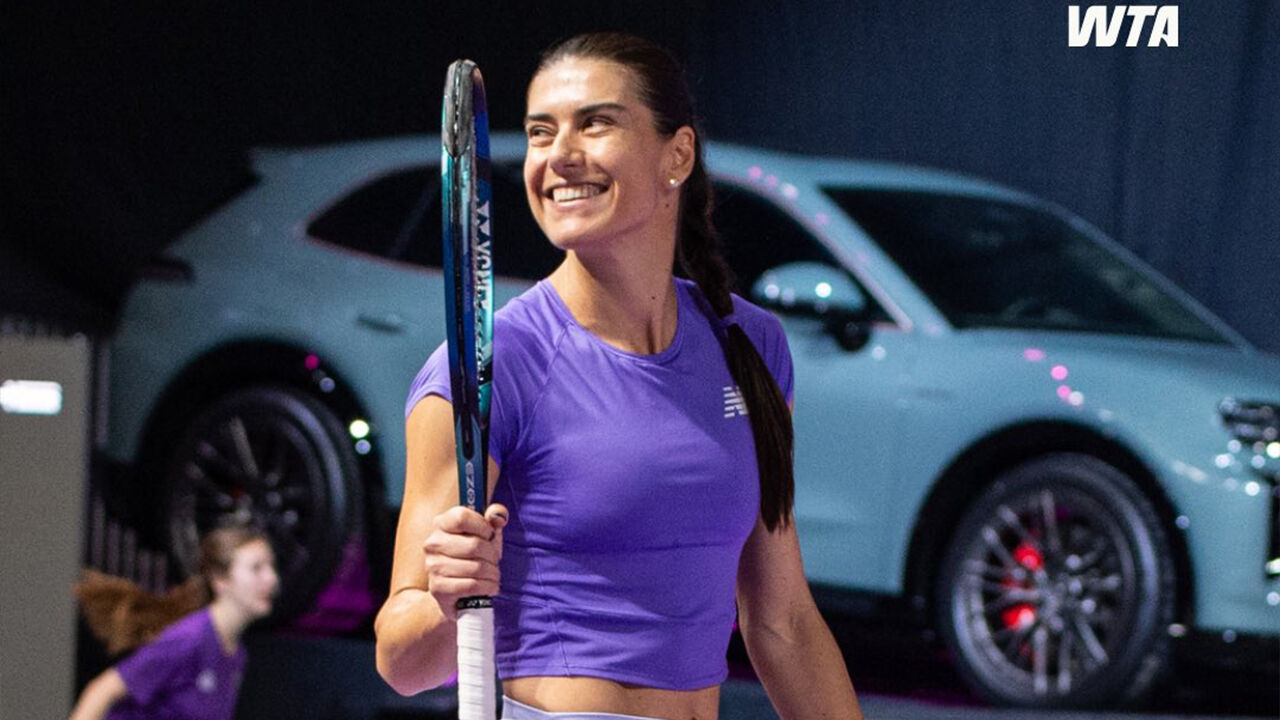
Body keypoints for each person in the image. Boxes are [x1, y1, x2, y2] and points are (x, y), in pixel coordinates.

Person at [376, 32, 864, 719]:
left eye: (595, 123)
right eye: (540, 132)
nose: (559, 155)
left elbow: (782, 622)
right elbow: (401, 664)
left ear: (678, 155)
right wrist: (446, 603)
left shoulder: (752, 346)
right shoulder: (492, 367)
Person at [68, 525, 279, 720]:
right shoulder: (188, 640)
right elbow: (101, 691)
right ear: (220, 580)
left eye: (271, 566)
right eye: (256, 568)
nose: (272, 579)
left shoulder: (236, 655)